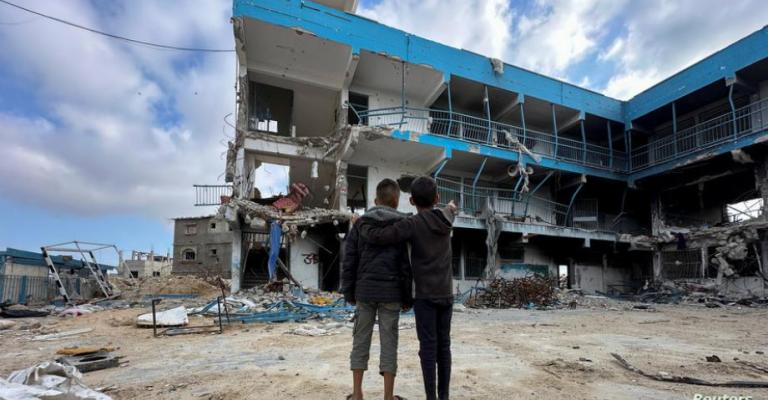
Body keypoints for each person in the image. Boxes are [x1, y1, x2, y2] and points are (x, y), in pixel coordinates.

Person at [357, 176, 457, 400]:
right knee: (444, 347)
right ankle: (444, 397)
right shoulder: (447, 218)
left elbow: (379, 237)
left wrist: (360, 222)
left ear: (411, 201)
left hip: (424, 296)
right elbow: (450, 209)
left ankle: (431, 397)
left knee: (428, 348)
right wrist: (451, 207)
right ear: (437, 198)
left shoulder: (412, 224)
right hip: (446, 293)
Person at [341, 178, 413, 400]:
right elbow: (405, 265)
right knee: (389, 343)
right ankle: (388, 397)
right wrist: (407, 297)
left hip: (364, 292)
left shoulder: (360, 225)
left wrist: (348, 292)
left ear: (375, 201)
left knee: (360, 340)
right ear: (396, 201)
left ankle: (357, 394)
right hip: (392, 294)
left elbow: (349, 261)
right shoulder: (401, 227)